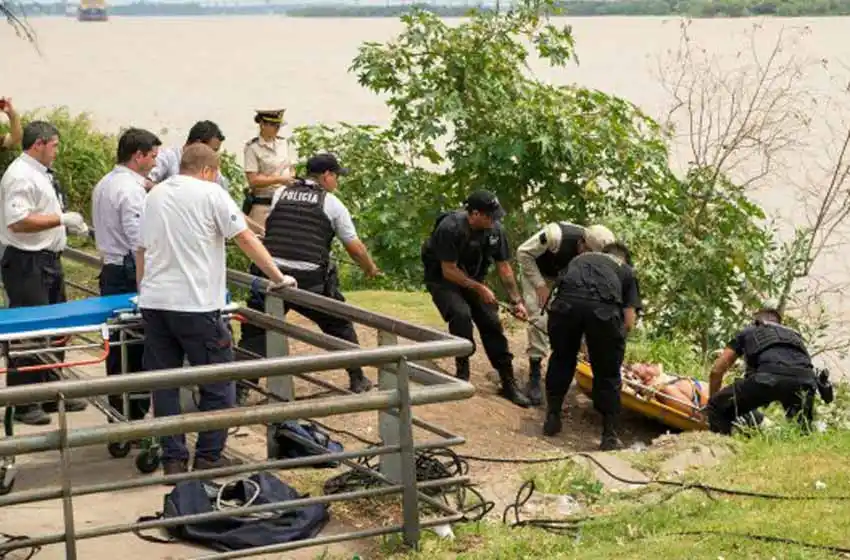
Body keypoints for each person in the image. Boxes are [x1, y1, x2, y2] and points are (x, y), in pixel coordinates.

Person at [136, 143, 296, 475]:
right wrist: (278, 276)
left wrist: (143, 291)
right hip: (196, 305)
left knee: (164, 385)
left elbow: (141, 249)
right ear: (210, 170)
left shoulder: (155, 194)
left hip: (155, 304)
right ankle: (209, 455)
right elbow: (245, 238)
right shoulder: (212, 194)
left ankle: (174, 460)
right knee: (219, 382)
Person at [239, 153, 379, 399]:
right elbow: (354, 247)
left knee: (255, 332)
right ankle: (357, 377)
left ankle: (240, 388)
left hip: (272, 276)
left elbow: (275, 226)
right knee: (340, 324)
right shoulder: (332, 203)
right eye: (336, 176)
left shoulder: (281, 193)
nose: (337, 181)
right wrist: (369, 268)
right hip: (309, 282)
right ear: (326, 175)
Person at [0, 121, 90, 425]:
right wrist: (60, 219)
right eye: (54, 145)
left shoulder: (40, 173)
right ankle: (24, 401)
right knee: (29, 331)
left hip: (48, 259)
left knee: (55, 328)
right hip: (27, 261)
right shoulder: (20, 175)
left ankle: (52, 391)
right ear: (39, 144)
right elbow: (19, 221)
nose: (57, 151)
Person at [421, 190, 531, 408]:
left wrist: (516, 301)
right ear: (474, 214)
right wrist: (479, 288)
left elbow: (504, 267)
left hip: (473, 276)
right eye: (490, 215)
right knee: (461, 315)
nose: (494, 220)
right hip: (443, 279)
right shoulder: (450, 228)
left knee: (491, 321)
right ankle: (462, 372)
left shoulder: (495, 230)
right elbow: (448, 270)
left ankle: (508, 382)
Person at [91, 127, 161, 422]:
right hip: (127, 271)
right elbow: (138, 241)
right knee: (134, 347)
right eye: (153, 157)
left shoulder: (106, 183)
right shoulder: (129, 190)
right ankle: (131, 416)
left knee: (118, 347)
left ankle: (118, 412)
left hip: (111, 267)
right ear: (138, 156)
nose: (156, 163)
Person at [542, 242, 641, 450]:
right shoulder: (626, 271)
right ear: (624, 259)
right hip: (603, 312)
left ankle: (552, 417)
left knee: (561, 358)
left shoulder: (579, 259)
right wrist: (612, 345)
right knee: (608, 373)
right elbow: (629, 320)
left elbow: (560, 290)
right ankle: (609, 435)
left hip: (565, 306)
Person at [516, 222, 616, 405]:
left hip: (565, 278)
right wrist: (540, 285)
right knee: (539, 317)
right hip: (538, 272)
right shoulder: (555, 236)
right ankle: (535, 372)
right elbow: (523, 253)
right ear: (582, 243)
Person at [706, 307, 818, 435]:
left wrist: (713, 401)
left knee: (717, 407)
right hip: (805, 382)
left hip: (768, 378)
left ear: (756, 320)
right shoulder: (795, 336)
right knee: (801, 429)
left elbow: (717, 370)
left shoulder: (749, 331)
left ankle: (724, 449)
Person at [242, 109, 295, 229]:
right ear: (262, 124)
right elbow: (253, 180)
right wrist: (280, 179)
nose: (277, 128)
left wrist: (291, 177)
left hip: (284, 203)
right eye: (273, 125)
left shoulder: (284, 144)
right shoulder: (253, 148)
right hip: (264, 204)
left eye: (278, 125)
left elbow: (291, 168)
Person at [148, 120, 229, 191]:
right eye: (213, 150)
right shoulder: (169, 157)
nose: (214, 155)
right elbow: (146, 181)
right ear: (198, 144)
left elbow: (222, 194)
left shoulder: (211, 167)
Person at [624, 363, 708, 417]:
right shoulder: (664, 389)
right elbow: (698, 415)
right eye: (645, 365)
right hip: (710, 402)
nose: (649, 363)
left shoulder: (664, 381)